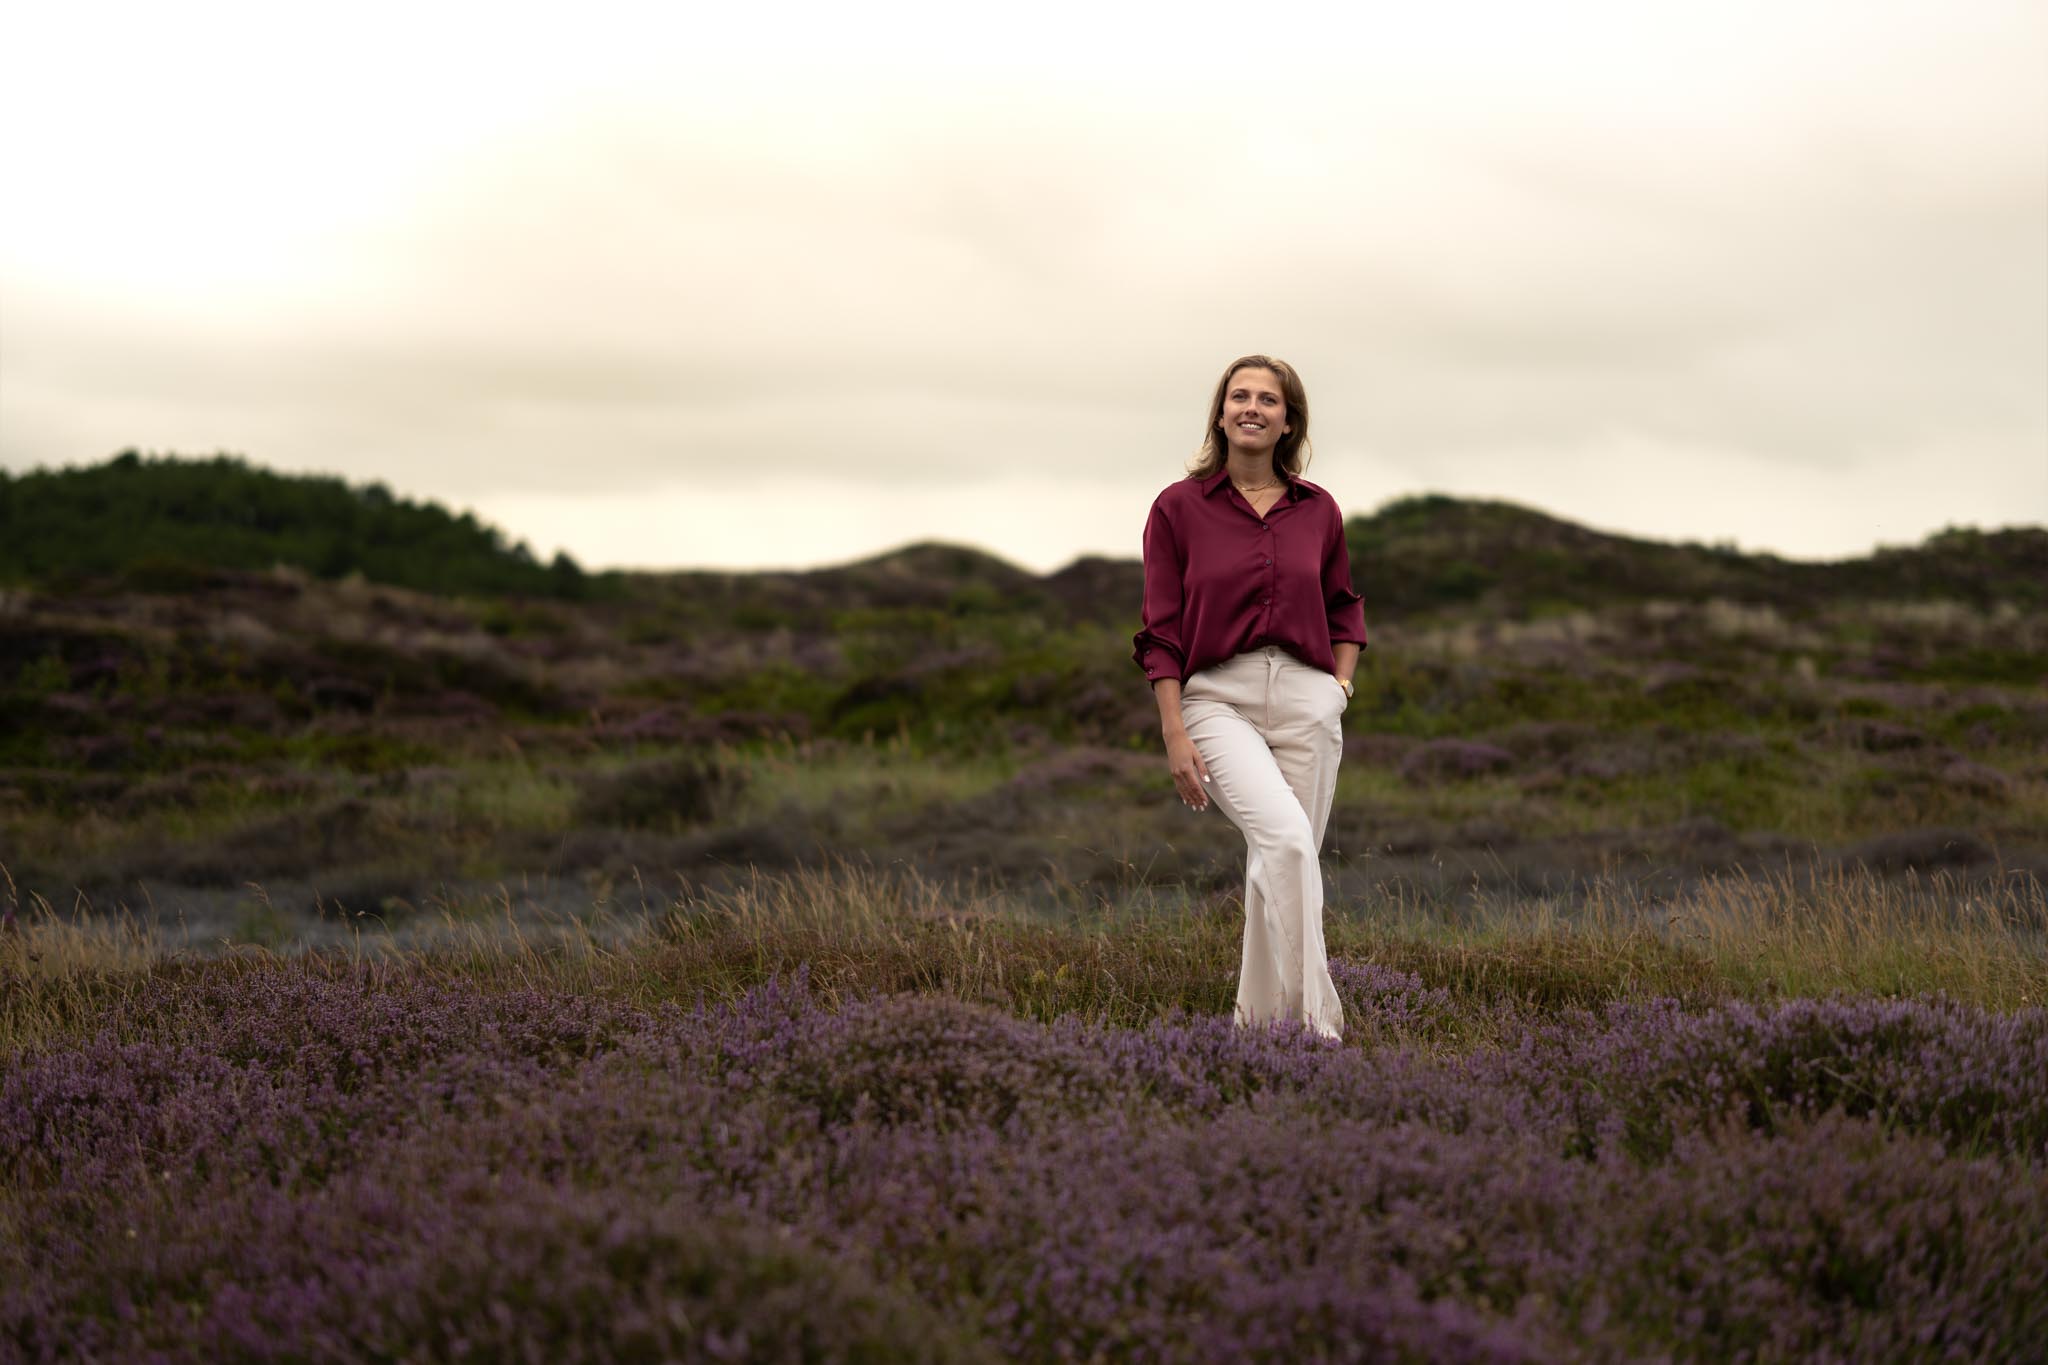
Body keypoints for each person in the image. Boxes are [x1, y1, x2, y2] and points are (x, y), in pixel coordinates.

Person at [1132, 354, 1367, 1041]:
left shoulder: (1317, 509)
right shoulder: (1177, 508)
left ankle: (1258, 1032)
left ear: (1288, 420)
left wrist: (1338, 688)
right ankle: (1319, 1031)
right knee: (1288, 845)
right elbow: (1161, 630)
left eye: (1268, 399)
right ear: (1221, 413)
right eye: (1240, 396)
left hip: (1307, 697)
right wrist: (1174, 731)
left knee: (1280, 865)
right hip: (1217, 699)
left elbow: (1344, 606)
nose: (1252, 408)